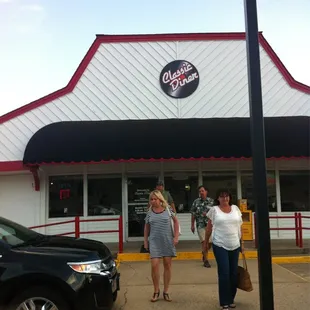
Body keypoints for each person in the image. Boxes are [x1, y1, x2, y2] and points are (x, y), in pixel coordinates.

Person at [204, 188, 244, 310]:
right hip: (220, 244)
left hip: (235, 244)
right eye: (222, 196)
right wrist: (206, 243)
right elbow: (209, 228)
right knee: (224, 273)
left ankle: (231, 298)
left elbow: (239, 227)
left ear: (230, 197)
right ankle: (224, 302)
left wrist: (242, 243)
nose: (225, 199)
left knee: (233, 273)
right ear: (218, 198)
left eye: (227, 196)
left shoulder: (236, 209)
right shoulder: (214, 210)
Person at [144, 190, 180, 302]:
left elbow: (176, 222)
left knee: (167, 265)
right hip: (154, 241)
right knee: (154, 265)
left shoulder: (168, 210)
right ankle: (156, 291)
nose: (153, 201)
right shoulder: (149, 212)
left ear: (160, 199)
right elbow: (146, 228)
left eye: (155, 199)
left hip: (167, 241)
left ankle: (166, 291)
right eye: (151, 199)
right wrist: (145, 241)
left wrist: (176, 237)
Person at [190, 185, 214, 267]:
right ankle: (206, 261)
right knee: (204, 242)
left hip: (209, 225)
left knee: (209, 243)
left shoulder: (211, 201)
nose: (201, 193)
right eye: (200, 191)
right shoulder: (196, 202)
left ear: (206, 192)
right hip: (200, 225)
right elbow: (193, 214)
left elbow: (215, 213)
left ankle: (204, 252)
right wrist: (192, 225)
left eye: (202, 191)